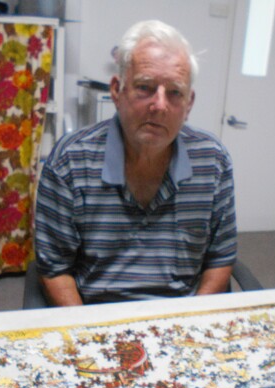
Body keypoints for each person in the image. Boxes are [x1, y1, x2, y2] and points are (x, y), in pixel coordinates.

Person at [34, 20, 237, 306]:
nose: (160, 105)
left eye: (175, 92)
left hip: (182, 316)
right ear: (117, 90)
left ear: (189, 104)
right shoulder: (69, 161)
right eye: (145, 87)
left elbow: (220, 259)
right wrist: (87, 328)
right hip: (97, 315)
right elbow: (55, 270)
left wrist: (193, 320)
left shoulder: (213, 161)